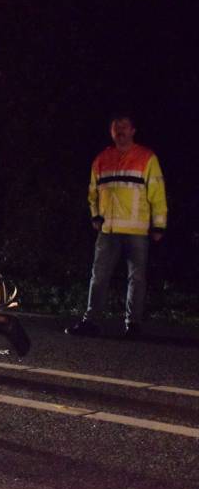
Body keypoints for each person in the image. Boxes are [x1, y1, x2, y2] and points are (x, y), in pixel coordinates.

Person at [66, 115, 167, 337]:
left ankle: (133, 324)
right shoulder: (102, 159)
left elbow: (157, 193)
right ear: (111, 132)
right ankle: (91, 321)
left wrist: (158, 225)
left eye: (124, 127)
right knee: (99, 276)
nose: (120, 131)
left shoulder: (146, 158)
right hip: (108, 230)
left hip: (136, 230)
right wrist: (95, 216)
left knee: (137, 279)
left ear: (133, 130)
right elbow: (93, 192)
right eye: (115, 128)